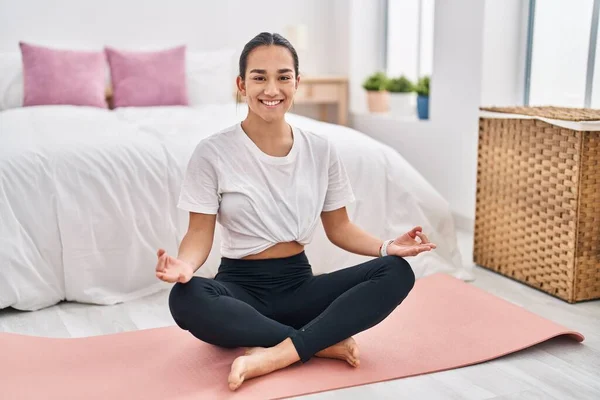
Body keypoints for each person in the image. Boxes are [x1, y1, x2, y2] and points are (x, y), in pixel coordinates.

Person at [155, 32, 437, 391]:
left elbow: (340, 227)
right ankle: (318, 343)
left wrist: (387, 247)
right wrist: (185, 266)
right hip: (240, 291)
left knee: (398, 272)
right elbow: (198, 233)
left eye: (283, 77)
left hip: (300, 288)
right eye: (259, 77)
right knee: (185, 298)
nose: (271, 88)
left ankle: (277, 353)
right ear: (241, 84)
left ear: (297, 83)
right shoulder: (212, 152)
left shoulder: (321, 150)